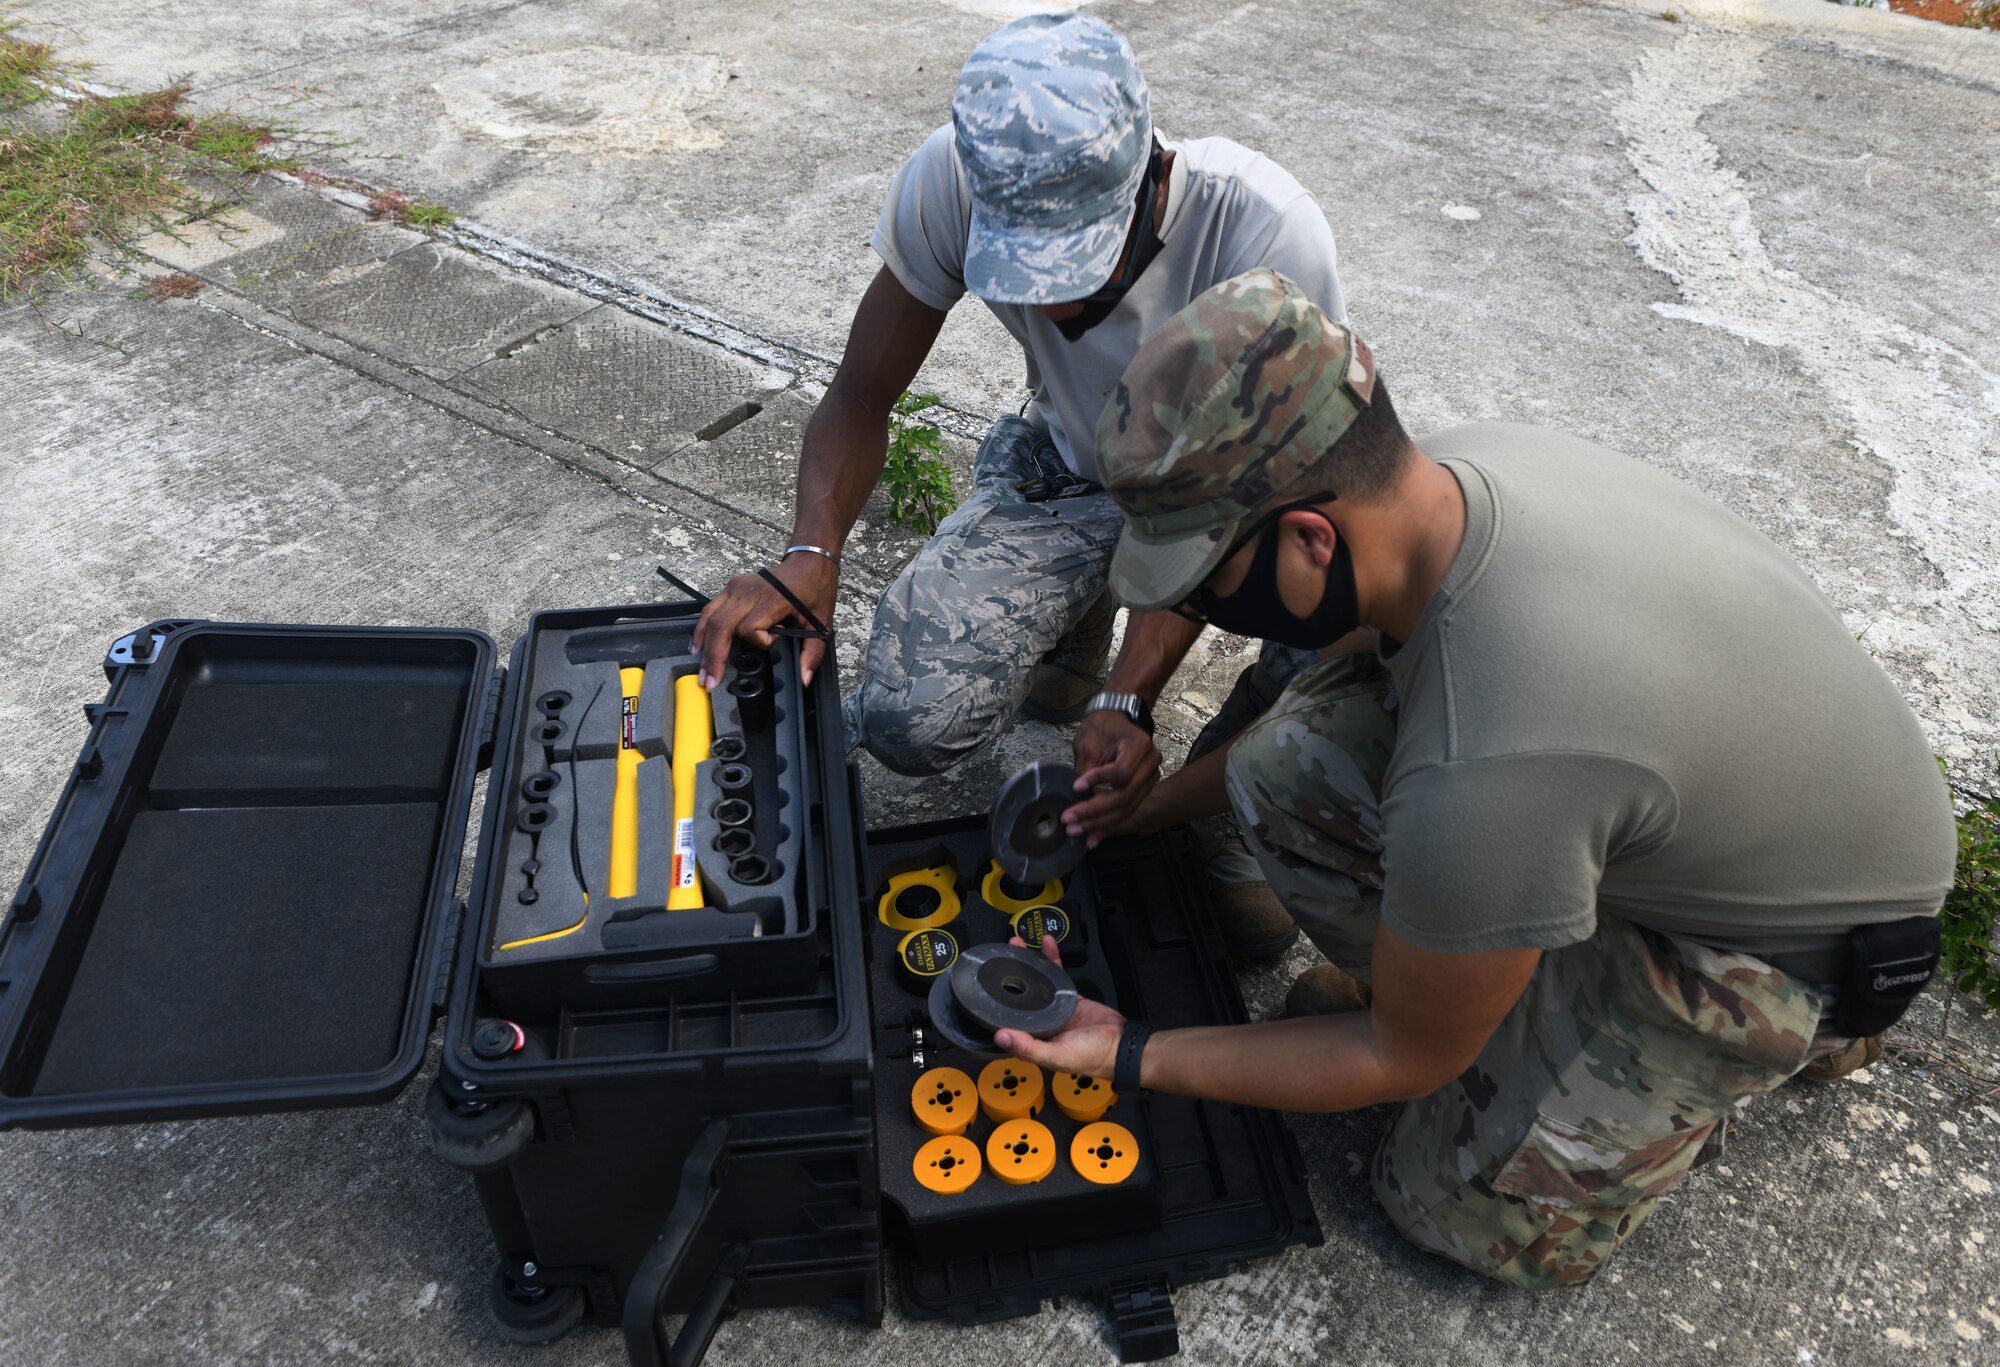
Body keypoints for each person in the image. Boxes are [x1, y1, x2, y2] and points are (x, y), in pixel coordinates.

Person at [1001, 269, 1959, 1287]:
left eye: (1202, 580)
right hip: (1694, 785)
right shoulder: (1438, 484)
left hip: (1792, 937)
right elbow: (1355, 725)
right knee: (1291, 760)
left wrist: (1128, 1050)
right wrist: (1149, 806)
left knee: (1443, 1204)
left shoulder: (1493, 755)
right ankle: (1499, 977)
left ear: (1308, 536)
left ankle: (1767, 1047)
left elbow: (1396, 1058)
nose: (1199, 605)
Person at [690, 12, 1344, 959]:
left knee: (1335, 620)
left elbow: (1242, 509)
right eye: (1025, 268)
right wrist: (809, 555)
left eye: (1074, 267)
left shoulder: (1265, 238)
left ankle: (1225, 796)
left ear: (1146, 179)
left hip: (1233, 506)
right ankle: (1076, 625)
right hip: (1072, 470)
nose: (1049, 304)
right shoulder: (954, 178)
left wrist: (1129, 701)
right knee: (909, 718)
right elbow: (860, 391)